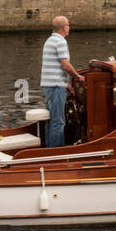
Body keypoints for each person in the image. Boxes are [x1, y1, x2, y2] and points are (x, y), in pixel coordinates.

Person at [40, 16, 83, 147]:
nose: (69, 27)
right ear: (64, 27)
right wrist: (78, 77)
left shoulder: (49, 40)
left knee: (51, 120)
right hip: (55, 87)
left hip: (49, 85)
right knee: (58, 122)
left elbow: (55, 67)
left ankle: (48, 149)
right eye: (68, 25)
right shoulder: (60, 42)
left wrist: (67, 84)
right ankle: (56, 151)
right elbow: (65, 65)